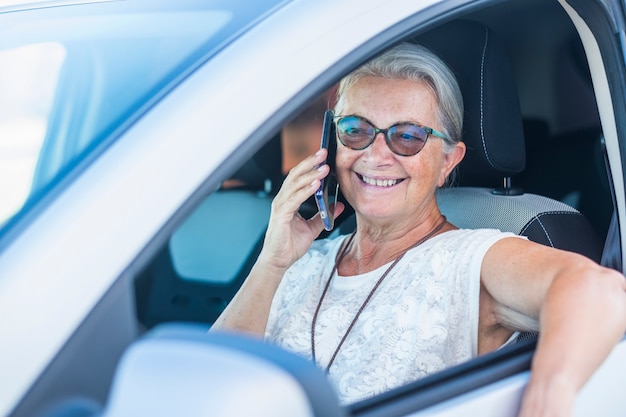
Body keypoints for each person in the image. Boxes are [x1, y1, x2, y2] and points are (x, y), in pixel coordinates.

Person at [211, 42, 626, 416]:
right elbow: (211, 384)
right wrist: (271, 262)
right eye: (355, 130)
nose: (376, 155)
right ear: (332, 143)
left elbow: (600, 289)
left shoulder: (469, 258)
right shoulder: (300, 262)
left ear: (448, 160)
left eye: (407, 136)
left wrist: (549, 396)